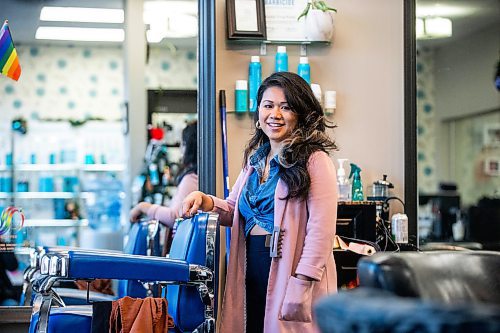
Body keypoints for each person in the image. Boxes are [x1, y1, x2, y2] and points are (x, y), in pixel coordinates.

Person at [182, 72, 338, 333]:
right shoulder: (254, 162)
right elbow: (233, 211)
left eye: (285, 107)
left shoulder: (315, 161)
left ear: (300, 114)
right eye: (268, 105)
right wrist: (206, 201)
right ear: (258, 113)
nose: (275, 114)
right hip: (250, 269)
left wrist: (302, 280)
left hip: (291, 271)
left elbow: (321, 231)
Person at [130, 120, 198, 229]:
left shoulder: (191, 179)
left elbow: (175, 217)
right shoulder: (196, 177)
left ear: (189, 147)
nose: (181, 149)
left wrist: (144, 207)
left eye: (183, 144)